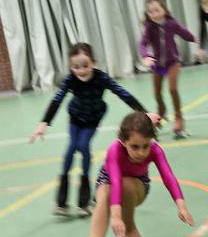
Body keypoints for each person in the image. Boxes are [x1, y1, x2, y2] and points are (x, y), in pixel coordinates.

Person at [75, 112, 194, 237]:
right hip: (108, 182)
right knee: (105, 198)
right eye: (135, 147)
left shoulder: (155, 150)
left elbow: (168, 176)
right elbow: (114, 180)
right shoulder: (114, 150)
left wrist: (181, 205)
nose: (141, 152)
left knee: (127, 185)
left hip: (137, 186)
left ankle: (132, 236)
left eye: (145, 146)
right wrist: (115, 217)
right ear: (123, 141)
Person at [28, 43, 146, 216]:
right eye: (76, 67)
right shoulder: (70, 79)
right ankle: (61, 203)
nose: (81, 70)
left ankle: (84, 202)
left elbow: (122, 93)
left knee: (83, 146)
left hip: (94, 117)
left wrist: (143, 112)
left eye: (85, 66)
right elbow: (57, 99)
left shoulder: (101, 78)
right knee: (71, 150)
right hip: (76, 116)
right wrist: (44, 122)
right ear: (71, 67)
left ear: (93, 62)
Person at [139, 0, 195, 139]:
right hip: (157, 64)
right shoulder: (149, 27)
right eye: (150, 12)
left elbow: (184, 32)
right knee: (157, 93)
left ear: (164, 9)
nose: (154, 14)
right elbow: (142, 44)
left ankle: (178, 118)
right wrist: (145, 56)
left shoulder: (171, 23)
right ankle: (161, 112)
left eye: (157, 10)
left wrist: (194, 39)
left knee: (172, 89)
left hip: (173, 62)